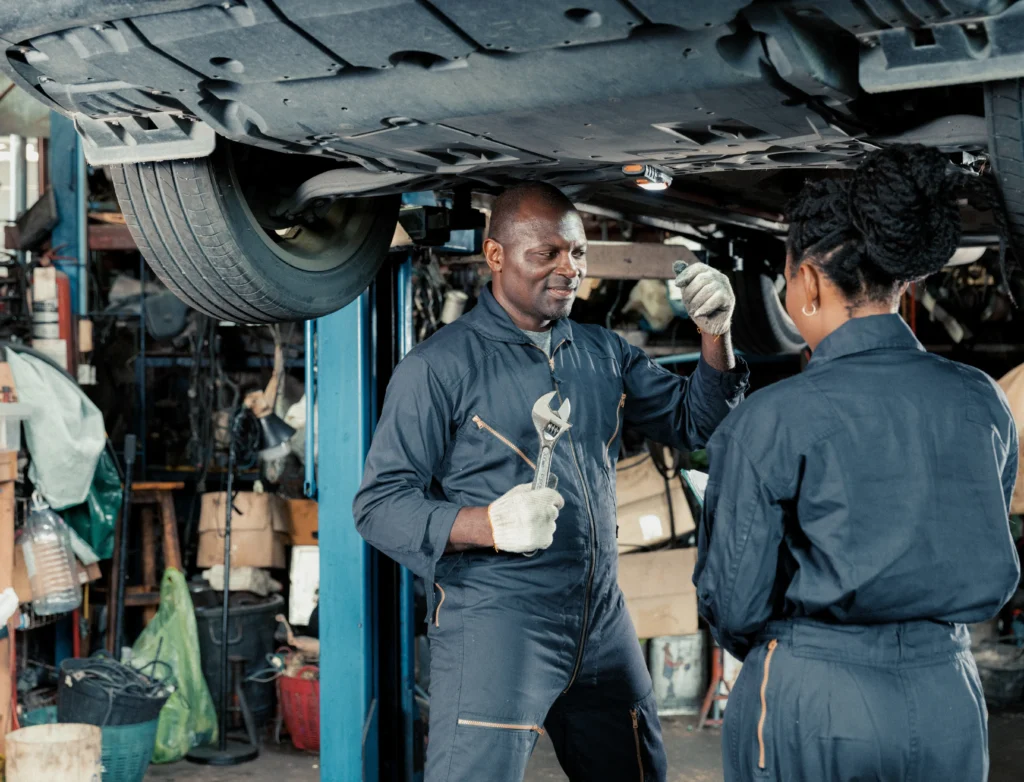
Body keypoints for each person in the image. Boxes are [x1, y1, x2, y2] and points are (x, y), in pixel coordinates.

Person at [354, 182, 749, 782]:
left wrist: (715, 335)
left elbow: (698, 420)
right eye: (548, 255)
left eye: (579, 253)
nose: (570, 270)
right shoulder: (438, 368)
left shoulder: (602, 352)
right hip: (498, 619)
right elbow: (379, 506)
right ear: (495, 256)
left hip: (602, 618)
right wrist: (485, 524)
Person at [693, 145, 1020, 782]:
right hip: (947, 688)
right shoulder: (980, 397)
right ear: (903, 282)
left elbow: (734, 602)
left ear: (809, 281)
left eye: (787, 277)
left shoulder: (770, 418)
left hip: (817, 691)